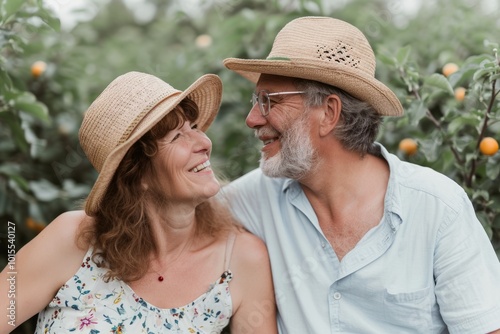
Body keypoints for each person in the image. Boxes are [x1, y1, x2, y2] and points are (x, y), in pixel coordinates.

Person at [221, 16, 500, 333]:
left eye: (268, 101)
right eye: (255, 101)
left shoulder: (437, 208)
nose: (252, 118)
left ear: (329, 113)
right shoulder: (250, 200)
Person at [0, 72, 277, 334]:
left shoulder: (240, 261)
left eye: (193, 127)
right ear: (138, 173)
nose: (204, 142)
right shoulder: (73, 240)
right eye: (177, 136)